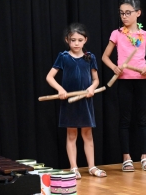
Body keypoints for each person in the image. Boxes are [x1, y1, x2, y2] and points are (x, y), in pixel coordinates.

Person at [46, 23, 106, 179]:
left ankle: (92, 167)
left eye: (80, 40)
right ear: (67, 40)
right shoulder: (63, 57)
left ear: (85, 40)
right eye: (73, 40)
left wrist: (92, 88)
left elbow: (96, 79)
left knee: (87, 134)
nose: (77, 43)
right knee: (71, 135)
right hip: (69, 102)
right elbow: (49, 77)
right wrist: (60, 89)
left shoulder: (90, 57)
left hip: (85, 102)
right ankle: (74, 167)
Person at [102, 0, 146, 172]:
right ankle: (126, 157)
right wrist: (114, 68)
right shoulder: (116, 33)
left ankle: (145, 157)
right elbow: (105, 57)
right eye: (121, 13)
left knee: (143, 119)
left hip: (141, 80)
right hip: (124, 81)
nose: (124, 16)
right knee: (124, 120)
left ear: (138, 13)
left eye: (128, 13)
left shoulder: (145, 35)